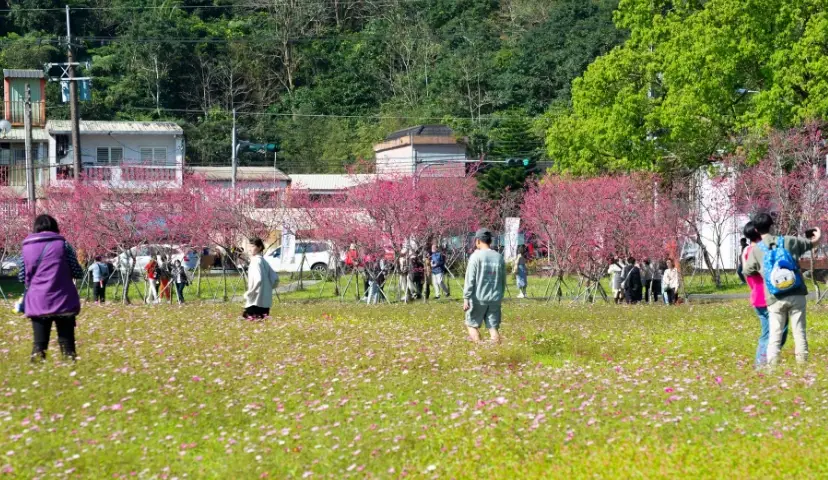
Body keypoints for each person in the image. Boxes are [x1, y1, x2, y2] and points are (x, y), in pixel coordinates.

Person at [743, 213, 820, 366]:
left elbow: (746, 271)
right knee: (799, 333)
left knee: (774, 336)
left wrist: (763, 272)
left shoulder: (757, 250)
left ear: (756, 230)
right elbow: (812, 243)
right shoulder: (788, 241)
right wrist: (817, 233)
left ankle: (772, 369)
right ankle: (802, 367)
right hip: (796, 294)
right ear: (772, 225)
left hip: (774, 297)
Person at [17, 214, 84, 361]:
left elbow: (22, 277)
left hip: (38, 302)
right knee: (68, 347)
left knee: (39, 346)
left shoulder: (26, 248)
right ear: (55, 228)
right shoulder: (64, 245)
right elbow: (78, 272)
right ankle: (71, 378)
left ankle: (36, 377)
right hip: (64, 301)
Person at [742, 222, 788, 367]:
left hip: (756, 296)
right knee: (776, 332)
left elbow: (746, 274)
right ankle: (763, 363)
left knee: (768, 332)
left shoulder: (746, 251)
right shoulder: (764, 249)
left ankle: (763, 361)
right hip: (770, 296)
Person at [463, 228, 506, 344]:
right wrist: (500, 295)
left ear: (477, 241)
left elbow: (470, 280)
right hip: (495, 299)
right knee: (493, 327)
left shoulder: (475, 257)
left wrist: (466, 298)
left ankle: (479, 349)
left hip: (478, 299)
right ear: (490, 241)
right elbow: (503, 280)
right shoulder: (499, 257)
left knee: (471, 325)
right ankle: (495, 352)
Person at [243, 237, 278, 319]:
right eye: (249, 246)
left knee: (250, 323)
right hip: (266, 301)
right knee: (262, 324)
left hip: (255, 301)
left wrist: (251, 292)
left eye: (252, 246)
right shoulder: (263, 261)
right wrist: (267, 288)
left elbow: (258, 279)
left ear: (259, 248)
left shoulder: (255, 261)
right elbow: (275, 278)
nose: (249, 249)